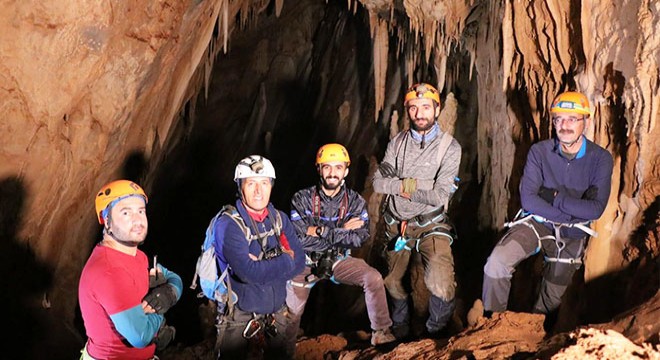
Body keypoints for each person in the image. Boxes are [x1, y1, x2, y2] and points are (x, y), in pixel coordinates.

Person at [482, 91, 613, 316]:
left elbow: (595, 209)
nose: (564, 125)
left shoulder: (600, 158)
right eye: (559, 119)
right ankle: (493, 324)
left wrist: (554, 197)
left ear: (587, 122)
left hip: (572, 235)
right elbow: (529, 199)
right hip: (537, 224)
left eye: (572, 119)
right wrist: (568, 214)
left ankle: (535, 338)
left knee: (552, 299)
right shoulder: (539, 152)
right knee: (496, 262)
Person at [285, 143, 396, 352]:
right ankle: (284, 350)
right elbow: (297, 239)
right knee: (291, 314)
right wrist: (341, 229)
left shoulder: (354, 201)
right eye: (327, 167)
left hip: (338, 260)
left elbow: (360, 237)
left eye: (338, 167)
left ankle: (381, 332)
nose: (332, 173)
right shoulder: (301, 198)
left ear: (345, 170)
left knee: (372, 277)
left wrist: (318, 230)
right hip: (306, 262)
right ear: (319, 169)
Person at [373, 83, 462, 339]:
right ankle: (400, 329)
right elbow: (379, 182)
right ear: (407, 111)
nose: (419, 113)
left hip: (431, 223)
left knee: (441, 283)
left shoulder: (449, 148)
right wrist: (418, 184)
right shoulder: (397, 143)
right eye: (413, 108)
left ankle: (435, 332)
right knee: (391, 280)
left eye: (425, 107)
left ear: (436, 109)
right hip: (396, 223)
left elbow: (440, 194)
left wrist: (401, 185)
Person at [79, 180, 182, 360]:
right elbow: (140, 336)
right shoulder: (109, 270)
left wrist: (168, 293)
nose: (137, 219)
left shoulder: (139, 256)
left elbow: (175, 279)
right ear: (106, 221)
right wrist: (160, 317)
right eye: (126, 212)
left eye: (141, 211)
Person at [214, 155, 305, 359]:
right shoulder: (229, 225)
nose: (258, 191)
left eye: (264, 183)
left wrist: (264, 266)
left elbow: (299, 262)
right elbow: (249, 274)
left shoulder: (279, 219)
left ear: (271, 186)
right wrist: (283, 260)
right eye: (251, 183)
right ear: (240, 187)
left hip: (276, 316)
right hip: (240, 318)